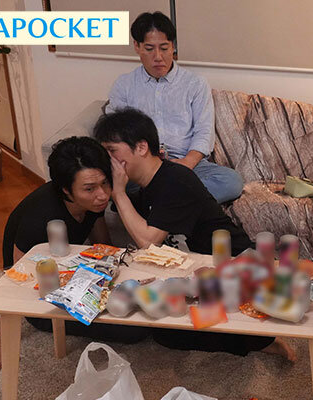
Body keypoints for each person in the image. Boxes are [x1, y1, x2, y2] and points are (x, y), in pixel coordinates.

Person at [93, 108, 294, 360]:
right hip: (196, 268)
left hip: (233, 262)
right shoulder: (145, 185)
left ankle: (262, 340)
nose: (108, 160)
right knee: (164, 328)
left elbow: (147, 241)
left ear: (142, 147)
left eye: (112, 151)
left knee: (175, 331)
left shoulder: (176, 180)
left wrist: (119, 192)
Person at [0, 137, 148, 375]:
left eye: (105, 183)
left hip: (72, 274)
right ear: (66, 190)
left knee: (138, 307)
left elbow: (102, 244)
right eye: (89, 188)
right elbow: (13, 283)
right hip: (42, 296)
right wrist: (0, 347)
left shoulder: (91, 203)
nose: (102, 195)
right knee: (133, 330)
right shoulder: (39, 218)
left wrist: (116, 273)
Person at [106, 11, 243, 204]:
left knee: (231, 182)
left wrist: (187, 163)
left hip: (186, 163)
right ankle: (174, 202)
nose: (158, 57)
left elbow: (204, 132)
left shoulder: (195, 84)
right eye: (149, 49)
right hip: (142, 166)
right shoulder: (124, 85)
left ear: (173, 46)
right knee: (108, 181)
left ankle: (154, 202)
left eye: (164, 48)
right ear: (137, 46)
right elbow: (115, 134)